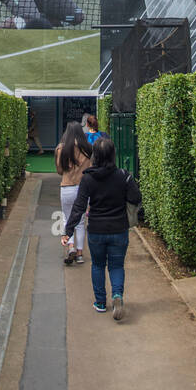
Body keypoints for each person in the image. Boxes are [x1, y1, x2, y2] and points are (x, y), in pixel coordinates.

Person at [63, 137, 141, 320]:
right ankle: (117, 295)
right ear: (113, 155)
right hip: (119, 228)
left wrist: (68, 231)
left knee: (98, 265)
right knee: (116, 266)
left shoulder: (88, 178)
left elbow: (79, 207)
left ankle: (99, 302)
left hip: (97, 229)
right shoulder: (124, 176)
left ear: (95, 156)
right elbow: (136, 198)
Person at [54, 122, 92, 265]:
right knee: (81, 221)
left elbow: (59, 170)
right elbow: (91, 168)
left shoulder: (61, 148)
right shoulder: (88, 149)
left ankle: (71, 248)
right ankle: (80, 253)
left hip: (67, 187)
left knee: (67, 219)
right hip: (83, 188)